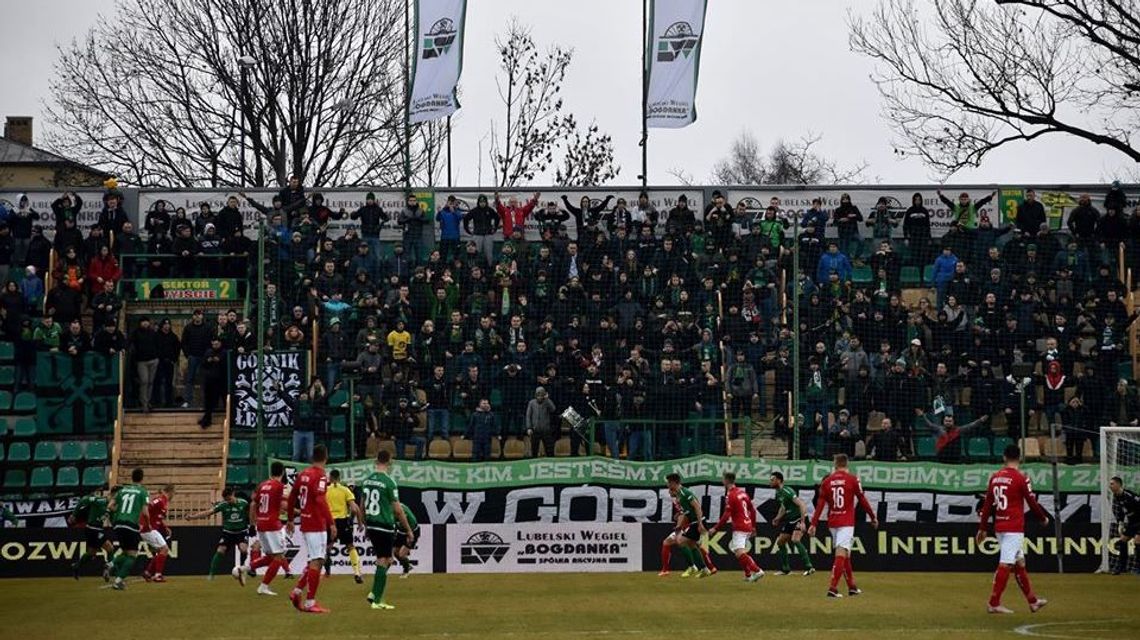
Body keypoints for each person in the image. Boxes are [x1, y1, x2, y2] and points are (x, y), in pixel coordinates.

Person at [976, 444, 1050, 614]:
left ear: (1004, 457)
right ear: (1020, 458)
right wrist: (1043, 518)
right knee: (1006, 564)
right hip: (1014, 528)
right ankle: (994, 603)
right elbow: (1032, 502)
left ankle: (1033, 601)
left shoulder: (995, 477)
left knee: (1019, 564)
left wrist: (982, 528)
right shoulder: (1020, 478)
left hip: (1000, 526)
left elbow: (987, 505)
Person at [808, 454, 879, 598]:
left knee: (846, 555)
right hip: (846, 522)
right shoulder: (853, 479)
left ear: (835, 464)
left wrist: (813, 524)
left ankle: (852, 587)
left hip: (833, 522)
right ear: (847, 464)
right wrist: (872, 516)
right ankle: (832, 588)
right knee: (841, 553)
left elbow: (820, 505)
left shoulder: (827, 482)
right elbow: (862, 499)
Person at [360, 449, 416, 610]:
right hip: (384, 526)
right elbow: (398, 510)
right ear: (390, 462)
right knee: (384, 560)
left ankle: (373, 594)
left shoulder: (366, 480)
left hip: (371, 524)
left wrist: (364, 525)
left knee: (387, 559)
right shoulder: (389, 482)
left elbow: (362, 506)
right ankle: (377, 600)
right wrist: (409, 530)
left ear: (375, 461)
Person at [287, 444, 336, 613]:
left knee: (315, 560)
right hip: (316, 523)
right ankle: (310, 602)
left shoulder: (303, 474)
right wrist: (331, 522)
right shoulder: (321, 476)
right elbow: (320, 500)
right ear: (326, 457)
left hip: (306, 523)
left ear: (311, 457)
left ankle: (297, 592)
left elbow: (292, 496)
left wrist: (291, 519)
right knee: (317, 561)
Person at [187, 486, 251, 584]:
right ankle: (211, 574)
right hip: (228, 532)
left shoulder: (244, 503)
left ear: (233, 494)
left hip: (241, 532)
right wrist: (192, 517)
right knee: (220, 550)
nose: (228, 501)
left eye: (229, 499)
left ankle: (241, 570)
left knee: (243, 549)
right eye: (226, 500)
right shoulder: (223, 505)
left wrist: (253, 526)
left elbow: (251, 514)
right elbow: (208, 512)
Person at [708, 472, 763, 582]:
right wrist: (753, 527)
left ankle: (757, 571)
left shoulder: (731, 495)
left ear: (726, 481)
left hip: (740, 527)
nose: (721, 481)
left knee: (739, 552)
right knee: (739, 551)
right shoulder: (743, 493)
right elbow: (752, 510)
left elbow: (726, 515)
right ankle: (748, 575)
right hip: (747, 525)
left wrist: (715, 528)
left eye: (722, 479)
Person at [246, 461, 291, 595]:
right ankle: (264, 586)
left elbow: (253, 504)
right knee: (278, 557)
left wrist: (252, 523)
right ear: (282, 473)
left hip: (261, 524)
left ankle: (246, 568)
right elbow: (283, 504)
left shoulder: (262, 485)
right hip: (273, 525)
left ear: (271, 472)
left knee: (272, 557)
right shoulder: (279, 486)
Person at [107, 468, 150, 590]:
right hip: (131, 525)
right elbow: (146, 513)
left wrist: (120, 512)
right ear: (142, 478)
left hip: (119, 524)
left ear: (131, 477)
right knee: (132, 555)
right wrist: (148, 524)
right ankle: (118, 581)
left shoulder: (122, 490)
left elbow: (110, 506)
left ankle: (110, 564)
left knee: (126, 552)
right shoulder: (142, 491)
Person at [665, 473, 712, 578]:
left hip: (697, 522)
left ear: (673, 482)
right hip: (693, 522)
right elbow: (686, 512)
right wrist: (679, 521)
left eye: (669, 482)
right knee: (691, 544)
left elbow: (697, 507)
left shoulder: (685, 492)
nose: (667, 485)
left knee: (680, 541)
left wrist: (700, 523)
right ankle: (704, 569)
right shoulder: (679, 495)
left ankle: (692, 567)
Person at [769, 471, 815, 576]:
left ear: (779, 480)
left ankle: (809, 567)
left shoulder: (787, 490)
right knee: (780, 542)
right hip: (791, 520)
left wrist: (803, 522)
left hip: (799, 518)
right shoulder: (778, 493)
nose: (770, 482)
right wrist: (777, 518)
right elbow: (784, 507)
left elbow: (802, 505)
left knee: (795, 539)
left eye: (772, 480)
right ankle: (786, 569)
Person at [68, 485, 114, 581]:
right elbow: (84, 500)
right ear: (112, 495)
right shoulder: (100, 501)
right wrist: (74, 515)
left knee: (91, 553)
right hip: (94, 529)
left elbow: (112, 518)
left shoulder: (111, 506)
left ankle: (76, 566)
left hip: (94, 529)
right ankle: (107, 569)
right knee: (110, 548)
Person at [325, 469, 363, 583]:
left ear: (330, 478)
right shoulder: (345, 490)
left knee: (327, 548)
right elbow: (354, 508)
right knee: (350, 546)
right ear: (339, 478)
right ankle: (357, 572)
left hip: (330, 522)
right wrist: (360, 523)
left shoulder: (325, 490)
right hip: (343, 521)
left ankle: (327, 572)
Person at [140, 484, 174, 582]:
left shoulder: (164, 501)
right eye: (173, 493)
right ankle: (158, 575)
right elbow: (147, 508)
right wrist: (143, 523)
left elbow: (157, 517)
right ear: (170, 492)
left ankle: (148, 572)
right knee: (165, 549)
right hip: (148, 530)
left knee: (161, 551)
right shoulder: (159, 500)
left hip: (151, 529)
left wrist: (165, 527)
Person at [1108, 477, 1140, 576]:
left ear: (1118, 485)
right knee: (1123, 541)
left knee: (1137, 541)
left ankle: (1138, 568)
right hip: (1132, 522)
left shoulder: (1129, 495)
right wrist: (1121, 523)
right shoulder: (1117, 496)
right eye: (1110, 484)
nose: (1110, 486)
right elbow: (1121, 511)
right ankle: (1122, 567)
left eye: (1112, 484)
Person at [525, 386, 558, 457]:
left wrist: (547, 399)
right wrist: (529, 428)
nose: (539, 397)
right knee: (534, 450)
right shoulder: (531, 403)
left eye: (541, 395)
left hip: (546, 430)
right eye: (538, 395)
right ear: (535, 395)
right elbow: (528, 416)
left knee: (549, 450)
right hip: (535, 430)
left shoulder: (547, 402)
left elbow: (553, 409)